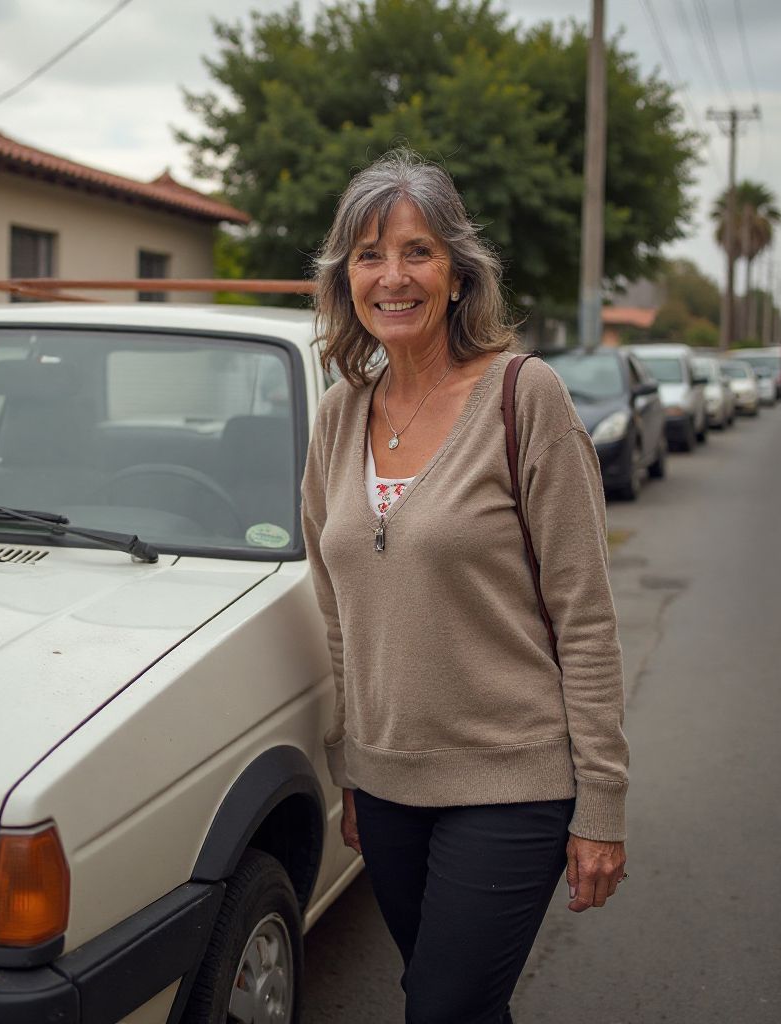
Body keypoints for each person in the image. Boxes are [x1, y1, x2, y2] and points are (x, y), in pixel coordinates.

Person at [301, 149, 629, 1024]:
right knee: (455, 1007)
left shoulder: (527, 397)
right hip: (388, 791)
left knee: (440, 1010)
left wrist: (601, 801)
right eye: (368, 256)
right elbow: (338, 613)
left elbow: (587, 619)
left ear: (457, 273)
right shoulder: (337, 416)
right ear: (346, 281)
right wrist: (353, 773)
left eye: (417, 251)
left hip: (511, 781)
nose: (393, 276)